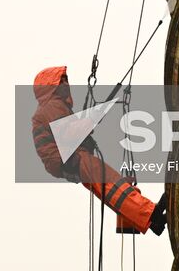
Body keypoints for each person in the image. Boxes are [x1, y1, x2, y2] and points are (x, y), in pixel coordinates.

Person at [31, 65, 167, 235]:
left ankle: (147, 220)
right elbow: (69, 133)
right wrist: (91, 119)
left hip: (65, 159)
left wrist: (89, 121)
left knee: (107, 188)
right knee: (110, 182)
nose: (66, 84)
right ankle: (150, 214)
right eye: (62, 80)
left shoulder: (51, 108)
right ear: (51, 86)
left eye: (66, 80)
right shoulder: (52, 106)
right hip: (69, 157)